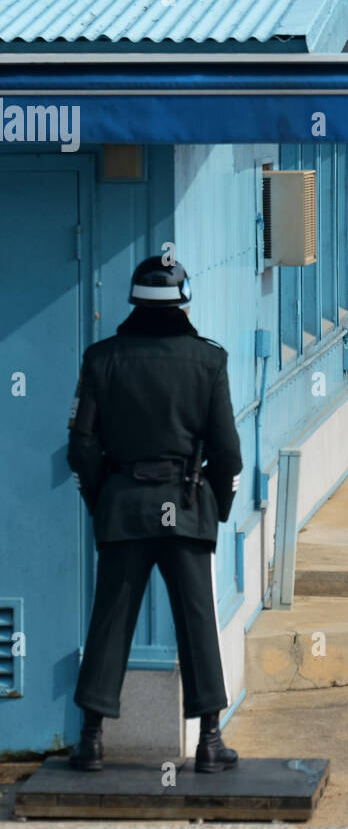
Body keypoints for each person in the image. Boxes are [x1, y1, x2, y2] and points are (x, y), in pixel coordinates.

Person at [67, 255, 243, 773]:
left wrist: (104, 500)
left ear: (134, 302)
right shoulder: (209, 362)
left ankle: (91, 740)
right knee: (198, 619)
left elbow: (81, 448)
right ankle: (209, 742)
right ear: (183, 303)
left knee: (110, 620)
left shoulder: (101, 359)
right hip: (185, 506)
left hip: (124, 507)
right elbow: (228, 453)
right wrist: (215, 508)